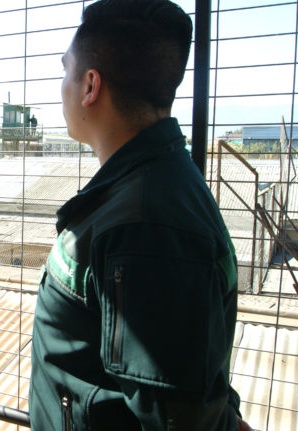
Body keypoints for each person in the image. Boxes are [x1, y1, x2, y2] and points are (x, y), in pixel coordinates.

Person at [28, 1, 251, 430]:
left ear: (91, 85)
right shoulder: (146, 189)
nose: (61, 86)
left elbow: (177, 419)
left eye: (65, 70)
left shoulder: (146, 228)